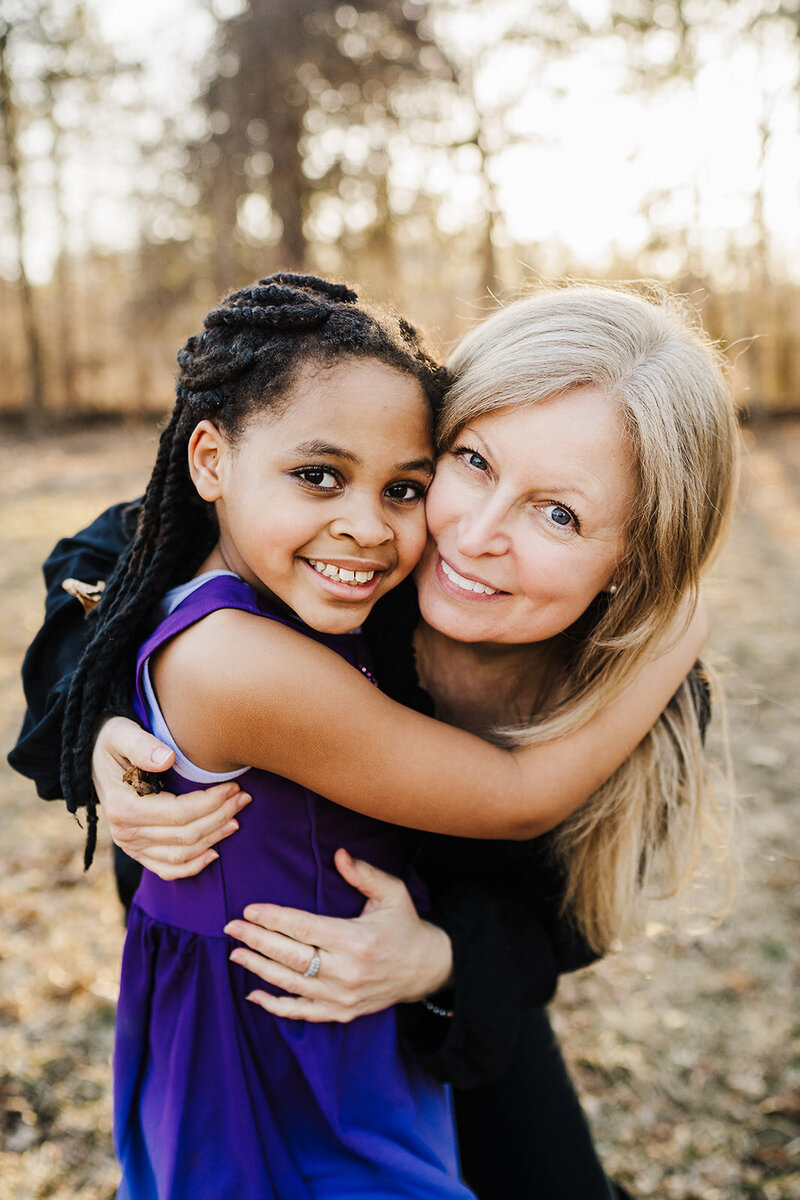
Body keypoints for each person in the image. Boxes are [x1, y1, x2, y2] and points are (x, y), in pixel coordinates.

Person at [9, 281, 737, 1198]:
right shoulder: (344, 560)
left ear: (636, 556)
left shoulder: (648, 704)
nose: (473, 535)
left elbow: (566, 917)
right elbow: (107, 565)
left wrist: (433, 961)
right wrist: (105, 717)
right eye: (471, 462)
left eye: (559, 514)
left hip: (442, 987)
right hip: (251, 989)